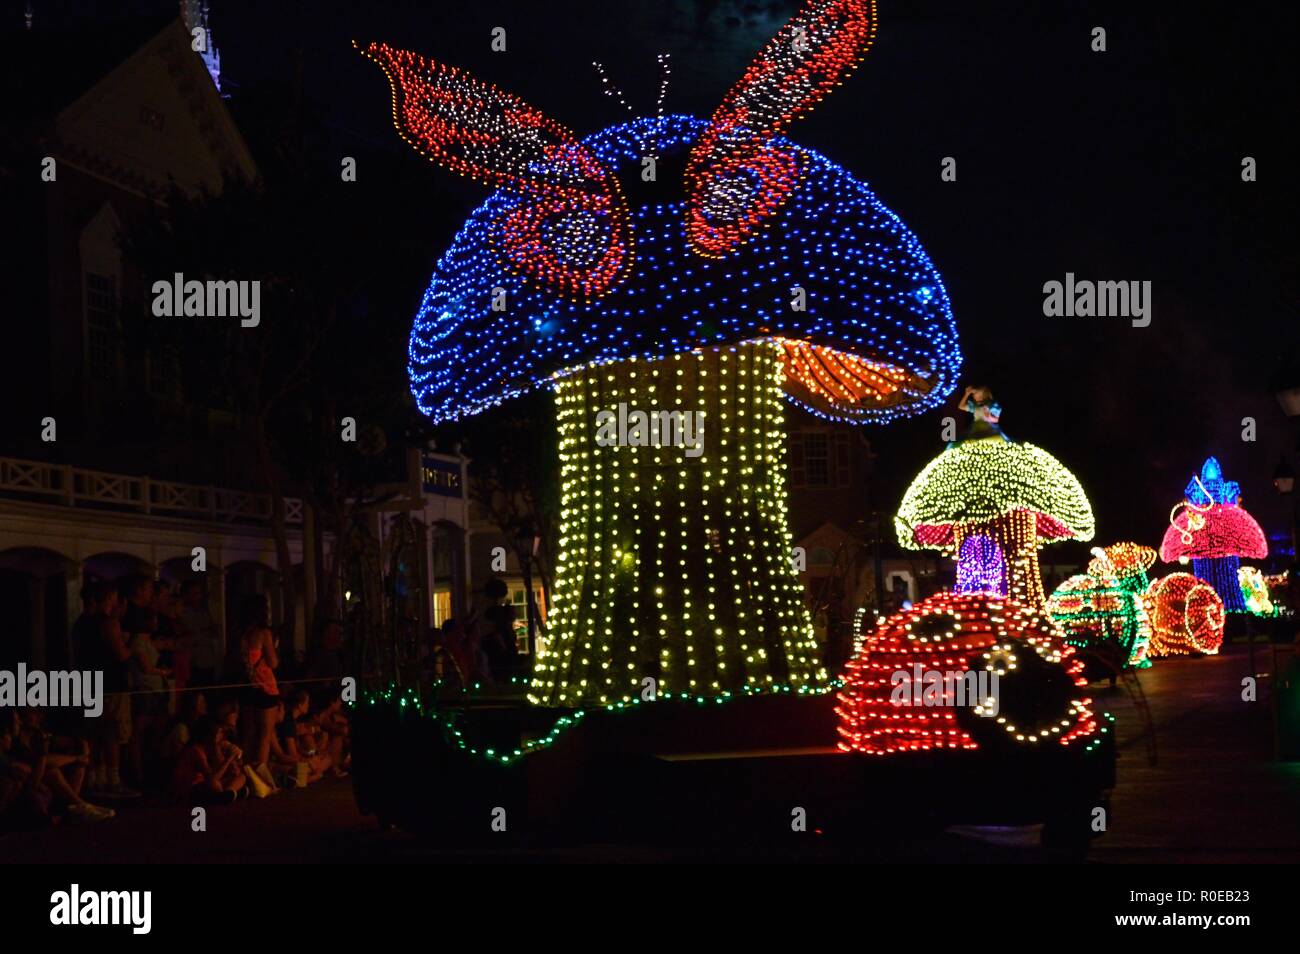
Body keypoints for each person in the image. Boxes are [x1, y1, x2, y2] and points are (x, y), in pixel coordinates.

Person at [82, 584, 138, 798]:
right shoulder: (108, 623)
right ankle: (113, 781)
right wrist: (132, 643)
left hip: (89, 682)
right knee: (112, 733)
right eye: (115, 598)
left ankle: (95, 777)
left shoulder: (81, 623)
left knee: (95, 733)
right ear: (110, 598)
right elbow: (122, 655)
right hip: (111, 684)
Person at [125, 577, 172, 789]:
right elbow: (144, 667)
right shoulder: (137, 640)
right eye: (153, 619)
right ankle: (138, 773)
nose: (157, 623)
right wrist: (162, 671)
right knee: (139, 731)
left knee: (156, 730)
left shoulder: (146, 641)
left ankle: (154, 770)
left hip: (155, 690)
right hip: (145, 690)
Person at [237, 594, 281, 790]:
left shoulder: (244, 634)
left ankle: (244, 775)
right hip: (265, 686)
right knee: (264, 733)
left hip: (247, 686)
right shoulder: (264, 633)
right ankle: (260, 781)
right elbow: (273, 662)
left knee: (249, 732)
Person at [171, 718, 246, 803]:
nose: (220, 736)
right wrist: (228, 759)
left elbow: (225, 772)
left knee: (241, 777)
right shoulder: (196, 750)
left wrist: (233, 762)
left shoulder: (212, 747)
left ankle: (228, 792)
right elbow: (212, 778)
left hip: (205, 783)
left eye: (221, 733)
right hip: (190, 788)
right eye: (217, 733)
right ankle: (224, 794)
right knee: (215, 784)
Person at [178, 580, 221, 687]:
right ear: (185, 595)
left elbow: (214, 632)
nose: (198, 597)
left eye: (199, 593)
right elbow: (190, 633)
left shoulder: (204, 612)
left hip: (207, 659)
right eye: (194, 593)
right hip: (192, 661)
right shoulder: (181, 612)